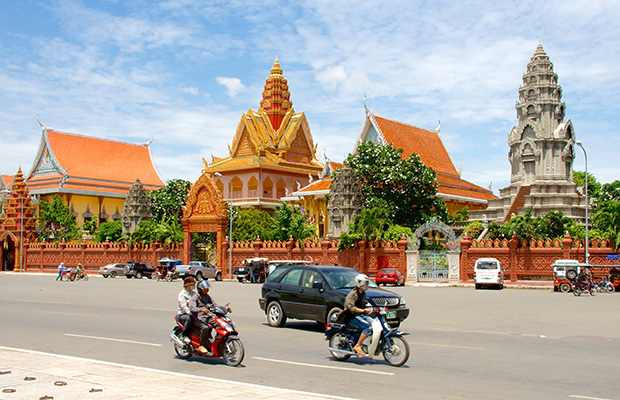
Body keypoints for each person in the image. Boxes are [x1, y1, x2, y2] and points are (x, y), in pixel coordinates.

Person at [189, 280, 231, 354]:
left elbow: (215, 305)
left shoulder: (208, 297)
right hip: (199, 318)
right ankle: (201, 345)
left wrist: (224, 308)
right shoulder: (195, 297)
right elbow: (192, 308)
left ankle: (215, 343)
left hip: (208, 317)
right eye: (205, 289)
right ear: (200, 289)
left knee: (219, 325)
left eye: (207, 288)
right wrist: (201, 309)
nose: (207, 290)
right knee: (205, 328)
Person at [341, 273, 373, 356]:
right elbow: (350, 307)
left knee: (374, 324)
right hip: (351, 317)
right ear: (359, 283)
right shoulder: (352, 294)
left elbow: (365, 303)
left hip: (361, 315)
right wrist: (363, 310)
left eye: (367, 283)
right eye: (365, 283)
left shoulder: (363, 294)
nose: (366, 285)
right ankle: (358, 345)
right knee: (367, 327)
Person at [177, 277, 197, 343]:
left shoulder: (193, 294)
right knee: (189, 319)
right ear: (187, 285)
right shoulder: (182, 294)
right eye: (192, 285)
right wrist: (190, 313)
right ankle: (185, 335)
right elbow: (184, 306)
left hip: (193, 313)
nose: (193, 286)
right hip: (183, 314)